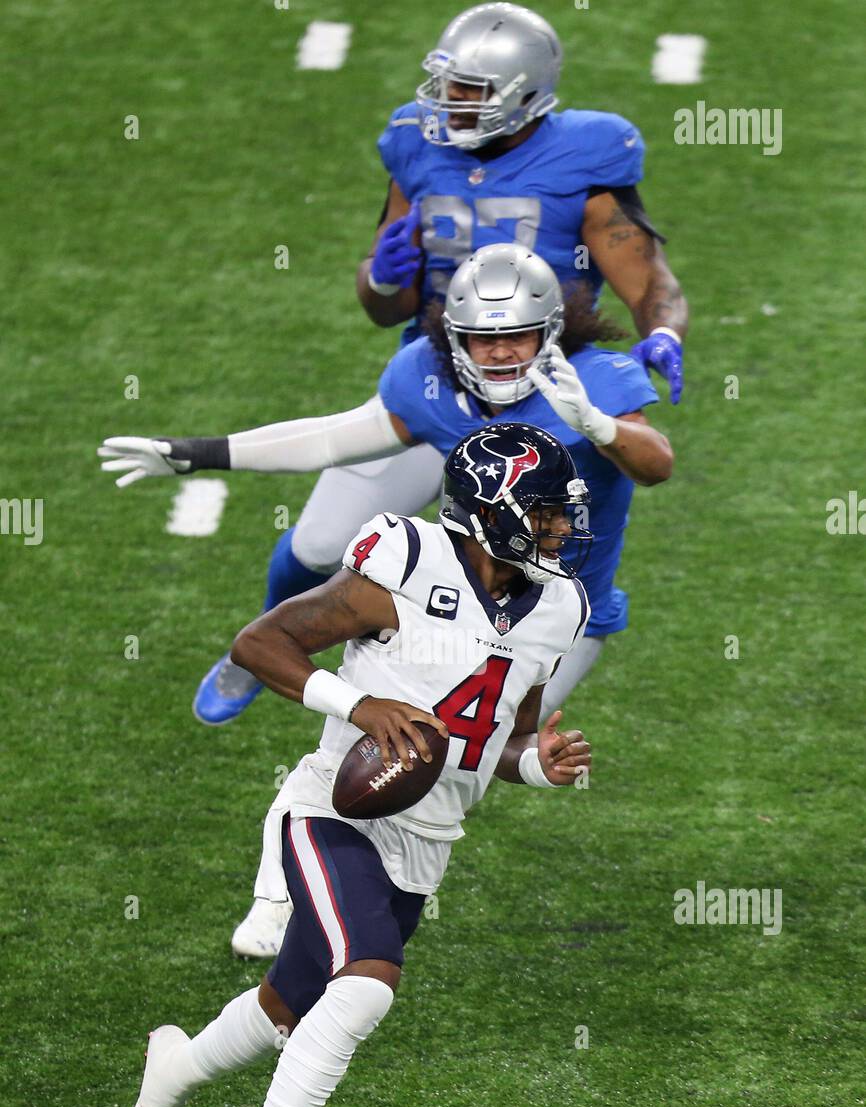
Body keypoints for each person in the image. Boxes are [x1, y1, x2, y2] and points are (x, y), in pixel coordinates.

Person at [100, 245, 672, 957]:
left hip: (556, 608)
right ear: (450, 338)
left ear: (550, 331)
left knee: (460, 755)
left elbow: (657, 464)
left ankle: (344, 893)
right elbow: (333, 439)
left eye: (515, 336)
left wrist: (597, 424)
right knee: (379, 709)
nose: (498, 355)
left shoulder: (601, 381)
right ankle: (285, 888)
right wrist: (198, 451)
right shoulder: (425, 379)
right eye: (482, 338)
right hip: (453, 584)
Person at [120, 422, 594, 1107]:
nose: (559, 529)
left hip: (426, 842)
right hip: (331, 809)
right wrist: (358, 704)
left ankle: (171, 1073)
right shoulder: (406, 561)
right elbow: (261, 642)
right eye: (543, 512)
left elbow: (504, 744)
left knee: (287, 1007)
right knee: (367, 983)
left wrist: (543, 767)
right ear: (488, 513)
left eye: (562, 514)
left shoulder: (559, 606)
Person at [189, 2, 688, 725]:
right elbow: (381, 302)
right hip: (437, 387)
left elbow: (651, 281)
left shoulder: (587, 156)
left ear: (525, 92)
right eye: (448, 85)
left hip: (543, 402)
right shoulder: (416, 144)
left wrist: (664, 334)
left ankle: (496, 723)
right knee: (323, 542)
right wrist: (383, 278)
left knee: (533, 589)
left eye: (470, 91)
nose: (449, 103)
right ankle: (255, 653)